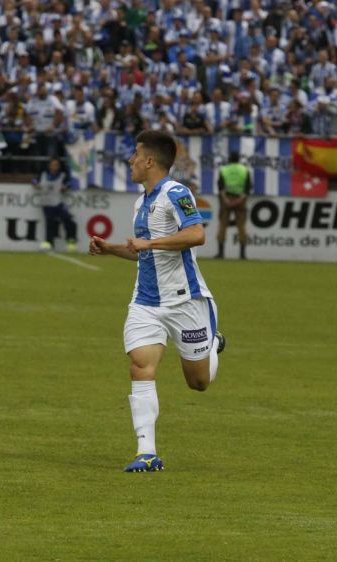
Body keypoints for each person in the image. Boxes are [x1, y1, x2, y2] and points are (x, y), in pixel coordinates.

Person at [88, 130, 226, 473]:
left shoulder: (176, 193)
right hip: (146, 301)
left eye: (135, 155)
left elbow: (196, 234)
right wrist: (111, 249)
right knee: (140, 366)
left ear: (150, 161)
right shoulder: (141, 202)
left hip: (185, 301)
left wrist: (149, 243)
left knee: (198, 382)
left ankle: (212, 343)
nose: (130, 160)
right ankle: (147, 453)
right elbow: (143, 254)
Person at [34, 158, 78, 252]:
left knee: (68, 220)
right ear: (49, 165)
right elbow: (34, 181)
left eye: (56, 165)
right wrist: (37, 185)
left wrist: (64, 187)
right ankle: (49, 243)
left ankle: (71, 241)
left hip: (57, 203)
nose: (54, 167)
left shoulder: (62, 176)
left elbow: (68, 183)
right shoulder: (43, 174)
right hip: (46, 203)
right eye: (53, 164)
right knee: (50, 223)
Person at [215, 151, 252, 260]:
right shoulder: (244, 170)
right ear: (238, 160)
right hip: (240, 200)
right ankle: (242, 255)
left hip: (226, 199)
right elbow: (248, 187)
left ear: (229, 159)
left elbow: (220, 187)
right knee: (241, 227)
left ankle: (221, 253)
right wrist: (239, 200)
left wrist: (226, 200)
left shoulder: (224, 169)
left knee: (222, 225)